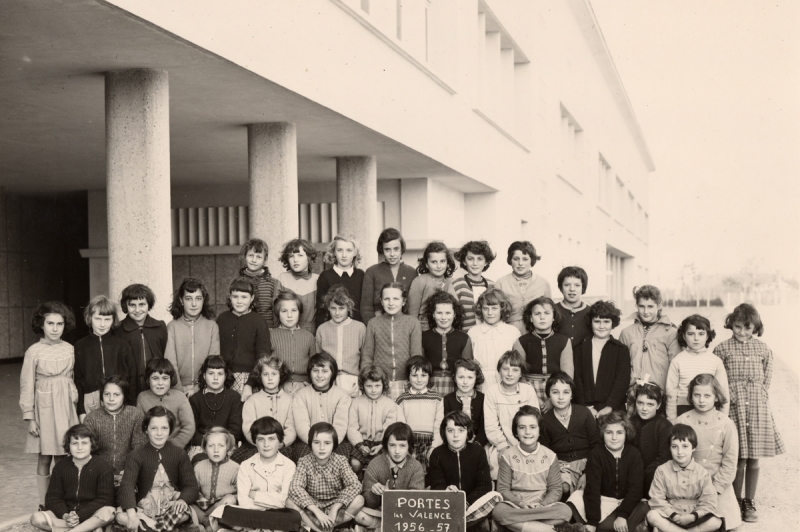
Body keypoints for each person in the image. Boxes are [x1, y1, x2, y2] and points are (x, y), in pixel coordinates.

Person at [713, 303, 784, 523]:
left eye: (747, 327)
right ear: (730, 325)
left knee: (754, 457)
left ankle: (749, 500)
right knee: (738, 458)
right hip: (733, 408)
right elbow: (716, 381)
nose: (742, 332)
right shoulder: (722, 349)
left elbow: (767, 378)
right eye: (737, 327)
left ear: (755, 327)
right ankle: (734, 500)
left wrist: (760, 396)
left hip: (756, 408)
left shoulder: (763, 349)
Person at [20, 301, 81, 508]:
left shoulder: (71, 350)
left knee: (64, 456)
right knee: (45, 456)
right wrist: (30, 418)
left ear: (66, 325)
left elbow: (76, 378)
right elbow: (27, 385)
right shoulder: (33, 351)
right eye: (50, 323)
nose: (55, 329)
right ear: (41, 324)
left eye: (60, 324)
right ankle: (44, 502)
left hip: (65, 408)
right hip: (44, 410)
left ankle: (62, 500)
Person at [116, 406, 200, 532]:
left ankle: (151, 528)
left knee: (184, 513)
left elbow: (191, 486)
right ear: (146, 429)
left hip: (169, 506)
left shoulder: (179, 454)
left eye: (164, 428)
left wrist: (183, 499)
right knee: (120, 517)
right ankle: (158, 526)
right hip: (144, 507)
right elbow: (127, 486)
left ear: (170, 430)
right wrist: (132, 515)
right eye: (154, 428)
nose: (159, 433)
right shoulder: (136, 455)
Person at [491, 405, 573, 532]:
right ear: (516, 431)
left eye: (533, 427)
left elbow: (556, 489)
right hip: (517, 506)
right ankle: (547, 530)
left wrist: (542, 504)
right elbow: (503, 489)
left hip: (542, 506)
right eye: (522, 428)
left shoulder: (550, 456)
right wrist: (521, 504)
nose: (527, 432)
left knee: (565, 511)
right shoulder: (507, 456)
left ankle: (523, 527)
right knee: (498, 511)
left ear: (540, 430)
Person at [677, 374, 742, 530]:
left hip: (716, 484)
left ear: (716, 397)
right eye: (697, 395)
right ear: (691, 396)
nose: (701, 400)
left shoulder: (726, 424)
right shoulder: (682, 421)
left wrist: (715, 488)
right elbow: (675, 456)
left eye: (707, 395)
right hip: (688, 482)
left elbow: (730, 462)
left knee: (717, 520)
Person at [566, 411, 648, 532]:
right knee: (574, 499)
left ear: (626, 433)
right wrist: (593, 521)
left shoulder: (634, 455)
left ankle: (618, 526)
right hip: (602, 501)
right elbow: (592, 490)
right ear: (602, 433)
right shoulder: (596, 454)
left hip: (625, 503)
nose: (614, 438)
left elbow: (635, 490)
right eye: (609, 433)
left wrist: (622, 515)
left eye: (619, 432)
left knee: (645, 506)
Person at [29, 424, 115, 532]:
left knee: (109, 512)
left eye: (84, 443)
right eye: (75, 443)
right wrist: (65, 515)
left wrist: (80, 516)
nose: (79, 448)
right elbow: (53, 498)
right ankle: (87, 529)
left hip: (91, 514)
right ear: (68, 445)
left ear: (91, 445)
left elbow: (104, 500)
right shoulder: (61, 467)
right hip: (66, 517)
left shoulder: (102, 466)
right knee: (36, 518)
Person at [427, 412, 501, 530]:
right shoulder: (437, 454)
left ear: (468, 432)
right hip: (448, 504)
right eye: (450, 431)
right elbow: (436, 484)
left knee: (483, 526)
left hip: (473, 505)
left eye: (461, 430)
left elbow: (484, 486)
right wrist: (446, 490)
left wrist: (466, 502)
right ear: (444, 432)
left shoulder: (478, 451)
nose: (455, 435)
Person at [287, 422, 365, 532]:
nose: (322, 448)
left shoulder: (340, 460)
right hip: (312, 508)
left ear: (334, 445)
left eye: (327, 443)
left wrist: (335, 507)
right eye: (316, 442)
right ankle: (320, 529)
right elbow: (295, 487)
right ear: (310, 444)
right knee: (289, 502)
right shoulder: (304, 462)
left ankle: (326, 527)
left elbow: (355, 484)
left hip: (335, 508)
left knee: (359, 500)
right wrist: (316, 511)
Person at [226, 417, 301, 531]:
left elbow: (284, 501)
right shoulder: (246, 465)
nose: (266, 444)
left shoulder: (289, 466)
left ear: (280, 441)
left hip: (279, 514)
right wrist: (273, 499)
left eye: (271, 439)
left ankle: (257, 527)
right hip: (253, 514)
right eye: (261, 439)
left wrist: (255, 495)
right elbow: (244, 502)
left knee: (294, 516)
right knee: (227, 512)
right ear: (254, 442)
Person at [645, 424, 722, 532]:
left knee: (716, 521)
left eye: (685, 446)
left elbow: (709, 502)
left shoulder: (702, 473)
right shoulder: (662, 470)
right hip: (671, 515)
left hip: (694, 516)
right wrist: (673, 515)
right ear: (669, 448)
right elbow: (656, 499)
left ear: (693, 447)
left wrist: (693, 516)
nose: (680, 452)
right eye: (674, 446)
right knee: (652, 515)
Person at [539, 372, 600, 499]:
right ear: (549, 394)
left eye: (566, 392)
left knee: (592, 487)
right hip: (562, 465)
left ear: (572, 395)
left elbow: (597, 445)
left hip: (588, 462)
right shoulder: (545, 420)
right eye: (555, 392)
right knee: (563, 487)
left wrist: (587, 473)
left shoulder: (584, 413)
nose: (561, 397)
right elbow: (545, 452)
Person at [355, 422, 425, 530]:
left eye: (402, 446)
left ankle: (379, 528)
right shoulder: (375, 464)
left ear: (409, 446)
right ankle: (384, 526)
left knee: (421, 518)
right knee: (359, 515)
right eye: (392, 445)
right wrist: (374, 492)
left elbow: (416, 501)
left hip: (406, 515)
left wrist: (391, 496)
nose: (397, 451)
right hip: (381, 512)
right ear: (386, 445)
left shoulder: (416, 467)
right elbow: (369, 503)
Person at [74, 296, 135, 418]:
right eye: (98, 319)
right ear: (90, 318)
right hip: (91, 402)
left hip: (119, 400)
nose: (102, 324)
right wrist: (81, 410)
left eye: (107, 319)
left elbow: (132, 377)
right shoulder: (80, 346)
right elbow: (78, 380)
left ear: (113, 320)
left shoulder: (122, 345)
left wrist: (131, 404)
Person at [483, 350, 540, 480]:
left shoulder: (528, 390)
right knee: (500, 468)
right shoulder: (492, 392)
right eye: (505, 369)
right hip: (501, 444)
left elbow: (534, 422)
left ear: (521, 373)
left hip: (527, 442)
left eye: (515, 370)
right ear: (499, 371)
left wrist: (525, 445)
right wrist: (504, 447)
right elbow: (491, 426)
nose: (509, 374)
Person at [361, 281, 422, 399]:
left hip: (406, 382)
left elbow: (416, 356)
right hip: (379, 383)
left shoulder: (412, 323)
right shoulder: (373, 323)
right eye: (387, 299)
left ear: (403, 301)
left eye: (396, 299)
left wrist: (414, 379)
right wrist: (368, 379)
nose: (391, 303)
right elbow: (367, 356)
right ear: (381, 301)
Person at [83, 376, 147, 486]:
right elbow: (88, 452)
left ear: (124, 396)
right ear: (102, 396)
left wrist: (128, 472)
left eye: (116, 395)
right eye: (107, 394)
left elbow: (139, 448)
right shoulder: (91, 418)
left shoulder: (136, 415)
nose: (111, 399)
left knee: (126, 497)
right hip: (99, 475)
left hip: (128, 474)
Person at [513, 296, 574, 409]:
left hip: (557, 388)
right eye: (537, 314)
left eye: (547, 313)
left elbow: (567, 374)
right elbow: (519, 374)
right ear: (531, 318)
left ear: (553, 317)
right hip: (529, 388)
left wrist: (553, 399)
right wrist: (532, 397)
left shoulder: (563, 341)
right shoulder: (521, 341)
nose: (542, 317)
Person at [666, 314, 729, 422]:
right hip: (684, 410)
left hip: (709, 410)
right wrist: (672, 420)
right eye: (691, 334)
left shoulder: (716, 361)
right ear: (684, 336)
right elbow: (671, 393)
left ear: (708, 336)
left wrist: (723, 419)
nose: (696, 338)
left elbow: (723, 393)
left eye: (701, 334)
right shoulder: (677, 361)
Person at [573, 301, 629, 418]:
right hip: (586, 406)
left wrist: (610, 406)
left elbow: (622, 381)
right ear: (591, 322)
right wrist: (586, 407)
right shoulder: (580, 347)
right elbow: (577, 379)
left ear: (613, 323)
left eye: (606, 322)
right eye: (597, 321)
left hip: (613, 407)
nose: (602, 326)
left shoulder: (621, 349)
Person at [291, 352, 353, 459]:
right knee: (304, 456)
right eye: (315, 371)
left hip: (335, 442)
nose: (319, 375)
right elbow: (302, 426)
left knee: (340, 459)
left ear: (332, 373)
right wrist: (316, 443)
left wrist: (328, 444)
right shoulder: (301, 395)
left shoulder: (342, 396)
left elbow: (340, 425)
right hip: (308, 442)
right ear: (310, 373)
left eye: (325, 371)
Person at [164, 277, 220, 396]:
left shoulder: (212, 326)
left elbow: (213, 362)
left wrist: (197, 388)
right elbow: (170, 362)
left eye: (198, 298)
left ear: (203, 300)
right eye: (189, 299)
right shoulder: (172, 327)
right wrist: (179, 390)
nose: (194, 304)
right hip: (177, 390)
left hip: (205, 389)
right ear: (181, 300)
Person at [236, 355, 297, 463]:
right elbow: (247, 428)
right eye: (265, 374)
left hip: (281, 445)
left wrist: (281, 443)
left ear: (280, 376)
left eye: (274, 374)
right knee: (242, 459)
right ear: (260, 376)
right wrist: (260, 443)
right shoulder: (252, 401)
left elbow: (291, 428)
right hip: (256, 445)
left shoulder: (290, 400)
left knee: (288, 458)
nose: (270, 378)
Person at [216, 277, 272, 396]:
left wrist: (250, 384)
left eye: (244, 297)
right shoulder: (222, 319)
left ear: (252, 298)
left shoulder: (259, 321)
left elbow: (263, 356)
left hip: (250, 379)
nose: (239, 301)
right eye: (235, 297)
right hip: (223, 378)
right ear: (230, 297)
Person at [619, 285, 680, 392]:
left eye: (650, 306)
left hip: (660, 394)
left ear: (659, 305)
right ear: (636, 305)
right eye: (641, 306)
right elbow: (620, 367)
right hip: (633, 394)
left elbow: (677, 367)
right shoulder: (626, 333)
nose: (646, 311)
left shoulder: (671, 333)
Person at [256, 290, 316, 395]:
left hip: (304, 386)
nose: (289, 315)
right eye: (284, 311)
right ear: (277, 313)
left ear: (299, 312)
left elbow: (315, 365)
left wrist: (311, 385)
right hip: (278, 386)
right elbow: (263, 364)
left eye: (294, 310)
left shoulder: (309, 337)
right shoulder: (270, 335)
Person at [114, 284, 169, 400]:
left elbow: (166, 357)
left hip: (157, 386)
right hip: (130, 388)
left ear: (149, 304)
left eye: (142, 304)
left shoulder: (160, 326)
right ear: (125, 306)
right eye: (132, 305)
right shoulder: (118, 330)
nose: (137, 310)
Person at [395, 356, 445, 474]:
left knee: (430, 473)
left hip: (431, 443)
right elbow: (400, 427)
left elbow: (439, 425)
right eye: (414, 375)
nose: (419, 379)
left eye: (423, 375)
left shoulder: (437, 399)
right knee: (408, 473)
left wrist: (434, 447)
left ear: (429, 377)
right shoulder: (402, 399)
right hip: (409, 444)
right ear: (408, 377)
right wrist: (405, 447)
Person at [188, 356, 243, 462]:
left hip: (226, 444)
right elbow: (192, 429)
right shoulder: (195, 399)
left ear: (226, 376)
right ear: (204, 376)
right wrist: (206, 444)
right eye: (211, 373)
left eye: (220, 374)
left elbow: (235, 429)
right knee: (199, 460)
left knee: (231, 462)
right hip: (201, 445)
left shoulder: (234, 397)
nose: (215, 378)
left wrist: (223, 444)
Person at [315, 285, 366, 398]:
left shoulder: (360, 328)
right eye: (333, 308)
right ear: (328, 308)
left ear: (349, 307)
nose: (337, 313)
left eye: (341, 308)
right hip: (328, 380)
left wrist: (361, 381)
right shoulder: (322, 329)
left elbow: (365, 357)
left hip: (352, 380)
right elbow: (318, 358)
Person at [360, 228, 418, 323]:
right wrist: (374, 327)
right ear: (381, 250)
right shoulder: (371, 272)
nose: (392, 254)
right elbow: (366, 308)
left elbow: (413, 306)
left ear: (402, 249)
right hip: (378, 323)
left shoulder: (412, 272)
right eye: (387, 249)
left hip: (404, 324)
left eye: (396, 249)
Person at [347, 366, 398, 473]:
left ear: (383, 385)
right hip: (361, 442)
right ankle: (358, 485)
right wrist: (360, 445)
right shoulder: (355, 403)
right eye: (369, 386)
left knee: (382, 467)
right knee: (354, 464)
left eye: (377, 386)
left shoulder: (390, 405)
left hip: (382, 443)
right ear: (362, 386)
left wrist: (381, 445)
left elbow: (389, 428)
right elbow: (351, 427)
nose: (373, 390)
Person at [136, 358, 195, 450]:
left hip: (175, 448)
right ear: (148, 380)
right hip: (150, 448)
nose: (160, 383)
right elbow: (140, 428)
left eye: (165, 378)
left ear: (171, 379)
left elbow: (189, 427)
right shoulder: (142, 397)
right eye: (155, 378)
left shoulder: (180, 397)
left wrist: (173, 446)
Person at [422, 289, 473, 395]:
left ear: (454, 314)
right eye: (439, 313)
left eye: (448, 313)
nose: (444, 317)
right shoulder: (424, 337)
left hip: (456, 386)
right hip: (429, 385)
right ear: (433, 314)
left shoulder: (463, 338)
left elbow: (466, 369)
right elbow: (421, 367)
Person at [494, 241, 552, 334]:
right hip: (508, 331)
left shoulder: (543, 283)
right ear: (510, 260)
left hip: (536, 331)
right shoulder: (501, 283)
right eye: (516, 259)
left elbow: (548, 311)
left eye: (525, 259)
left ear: (531, 260)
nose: (520, 263)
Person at [627, 380, 672, 497]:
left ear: (658, 405)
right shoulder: (629, 423)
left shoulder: (664, 426)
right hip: (630, 475)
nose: (644, 408)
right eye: (640, 403)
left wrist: (642, 474)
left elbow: (664, 458)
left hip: (652, 478)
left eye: (650, 404)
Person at [468, 288, 520, 386]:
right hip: (481, 383)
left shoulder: (513, 332)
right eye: (486, 308)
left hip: (505, 381)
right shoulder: (473, 332)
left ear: (502, 308)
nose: (490, 313)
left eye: (494, 308)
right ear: (480, 309)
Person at [190, 427, 239, 531]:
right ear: (204, 448)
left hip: (222, 507)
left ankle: (213, 524)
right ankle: (206, 521)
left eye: (221, 446)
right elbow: (194, 488)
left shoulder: (235, 468)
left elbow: (241, 493)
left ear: (228, 448)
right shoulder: (199, 467)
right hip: (203, 506)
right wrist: (200, 497)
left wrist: (227, 500)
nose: (216, 450)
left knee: (229, 500)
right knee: (188, 501)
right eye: (211, 446)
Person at [315, 233, 365, 325]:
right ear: (334, 252)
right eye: (339, 250)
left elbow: (364, 307)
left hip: (357, 330)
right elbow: (321, 310)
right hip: (332, 330)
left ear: (355, 252)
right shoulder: (325, 276)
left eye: (349, 250)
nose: (344, 255)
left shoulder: (361, 275)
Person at [407, 241, 457, 331]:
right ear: (426, 264)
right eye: (434, 262)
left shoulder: (452, 282)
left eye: (442, 261)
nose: (438, 266)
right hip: (425, 330)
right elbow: (412, 315)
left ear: (447, 263)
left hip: (447, 329)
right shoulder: (420, 281)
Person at [448, 240, 496, 331]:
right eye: (470, 259)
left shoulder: (492, 285)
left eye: (480, 259)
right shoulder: (456, 285)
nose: (475, 263)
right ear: (464, 261)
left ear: (486, 262)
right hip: (465, 337)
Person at [277, 238, 319, 334]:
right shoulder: (282, 278)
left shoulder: (318, 279)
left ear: (309, 258)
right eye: (291, 256)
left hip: (311, 332)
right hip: (285, 331)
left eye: (300, 255)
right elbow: (276, 311)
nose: (295, 260)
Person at [237, 238, 282, 328]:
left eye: (259, 257)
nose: (254, 260)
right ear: (245, 256)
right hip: (244, 327)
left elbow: (275, 310)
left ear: (265, 260)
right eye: (251, 255)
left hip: (267, 328)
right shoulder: (237, 282)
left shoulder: (272, 283)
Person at [443, 358, 488, 446]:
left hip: (478, 443)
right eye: (461, 377)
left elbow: (485, 428)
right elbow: (446, 427)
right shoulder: (448, 399)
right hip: (454, 442)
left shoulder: (483, 399)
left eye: (470, 377)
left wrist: (477, 444)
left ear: (476, 378)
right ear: (454, 378)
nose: (465, 382)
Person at [556, 266, 592, 349]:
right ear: (561, 287)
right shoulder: (552, 310)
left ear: (583, 288)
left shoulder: (591, 312)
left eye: (577, 285)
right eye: (567, 285)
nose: (572, 289)